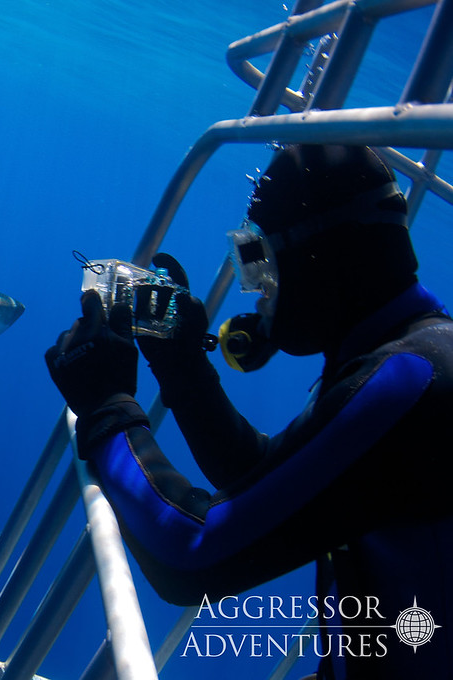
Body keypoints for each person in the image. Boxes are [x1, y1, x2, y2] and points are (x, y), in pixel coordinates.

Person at [45, 144, 453, 679]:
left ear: (319, 255)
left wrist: (106, 409)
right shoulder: (405, 354)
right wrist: (181, 365)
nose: (254, 286)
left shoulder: (407, 382)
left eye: (257, 257)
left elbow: (189, 556)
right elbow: (262, 477)